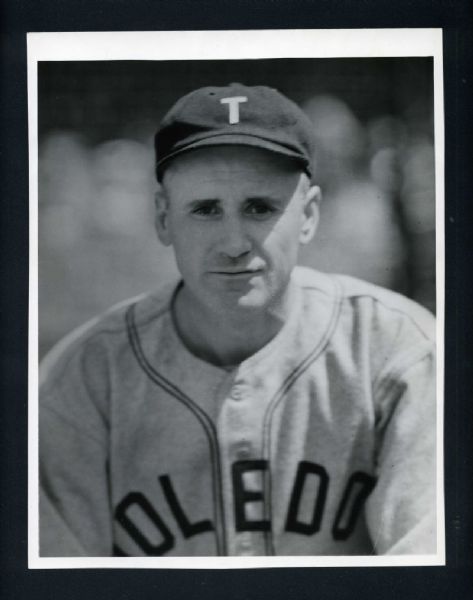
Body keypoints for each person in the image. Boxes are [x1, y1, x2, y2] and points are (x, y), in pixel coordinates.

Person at [39, 83, 436, 557]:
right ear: (164, 219)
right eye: (205, 209)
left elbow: (428, 571)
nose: (233, 243)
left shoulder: (396, 350)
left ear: (308, 216)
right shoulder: (85, 380)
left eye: (260, 208)